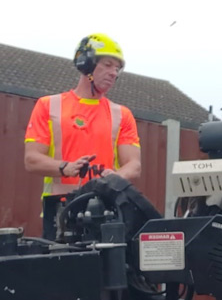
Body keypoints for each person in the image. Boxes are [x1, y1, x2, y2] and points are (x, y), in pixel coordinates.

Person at [24, 33, 142, 239]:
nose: (114, 73)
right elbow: (31, 160)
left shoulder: (122, 114)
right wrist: (65, 167)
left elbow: (134, 165)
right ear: (86, 64)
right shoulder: (48, 106)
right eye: (107, 65)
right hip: (60, 213)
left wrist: (115, 178)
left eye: (117, 68)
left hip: (107, 210)